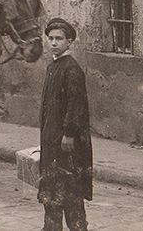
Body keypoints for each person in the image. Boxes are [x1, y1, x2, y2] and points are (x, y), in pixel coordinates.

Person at [38, 18, 93, 231]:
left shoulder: (71, 69)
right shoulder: (54, 66)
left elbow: (76, 104)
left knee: (70, 192)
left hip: (67, 144)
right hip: (52, 140)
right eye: (50, 38)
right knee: (51, 192)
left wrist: (69, 134)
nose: (53, 42)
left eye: (58, 39)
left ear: (69, 42)